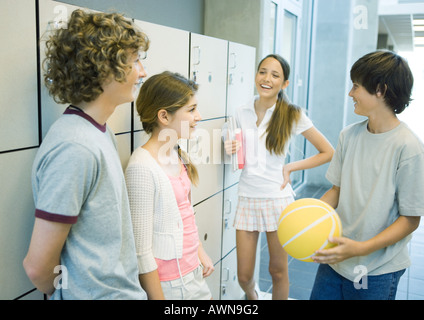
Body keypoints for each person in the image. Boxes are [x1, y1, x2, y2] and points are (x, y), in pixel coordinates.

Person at [23, 9, 150, 299]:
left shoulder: (100, 132)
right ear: (104, 68)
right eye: (135, 61)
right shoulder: (75, 147)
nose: (142, 72)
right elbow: (37, 267)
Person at [310, 50, 424, 300]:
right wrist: (309, 216)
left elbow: (410, 219)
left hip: (376, 270)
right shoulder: (348, 136)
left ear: (380, 90)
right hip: (337, 257)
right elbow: (336, 191)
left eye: (356, 86)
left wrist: (360, 248)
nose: (351, 93)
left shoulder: (409, 147)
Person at [224, 54, 334, 300]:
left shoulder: (292, 114)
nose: (266, 79)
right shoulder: (240, 112)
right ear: (256, 76)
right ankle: (253, 298)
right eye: (262, 72)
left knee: (278, 271)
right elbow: (234, 152)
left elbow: (328, 152)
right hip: (247, 197)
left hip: (277, 200)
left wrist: (290, 167)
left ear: (284, 84)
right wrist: (228, 148)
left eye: (275, 75)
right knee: (243, 275)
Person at [125, 71, 214, 300]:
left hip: (191, 271)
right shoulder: (142, 167)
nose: (199, 116)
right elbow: (141, 252)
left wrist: (199, 252)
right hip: (171, 284)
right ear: (164, 116)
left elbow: (186, 214)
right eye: (191, 110)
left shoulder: (176, 153)